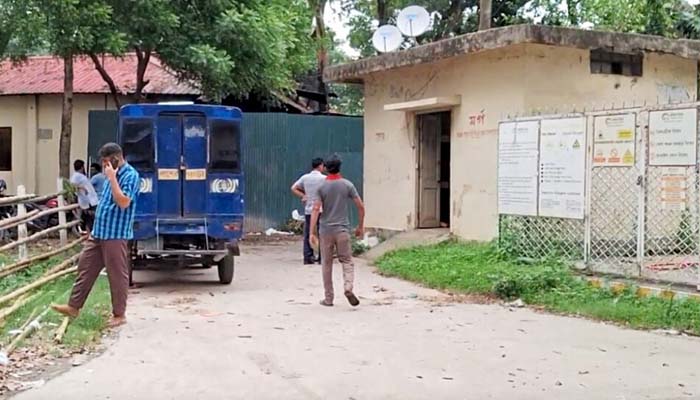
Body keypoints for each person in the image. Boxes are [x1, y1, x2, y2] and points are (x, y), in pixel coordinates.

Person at [52, 143, 140, 327]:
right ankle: (74, 306)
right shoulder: (109, 175)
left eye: (107, 161)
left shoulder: (130, 175)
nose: (104, 165)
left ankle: (119, 314)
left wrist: (113, 179)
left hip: (115, 233)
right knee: (85, 267)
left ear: (117, 158)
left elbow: (123, 202)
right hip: (99, 232)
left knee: (116, 274)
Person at [310, 154, 365, 307]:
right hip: (342, 230)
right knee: (347, 261)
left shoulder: (321, 187)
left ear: (326, 168)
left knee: (326, 264)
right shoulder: (347, 185)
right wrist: (360, 226)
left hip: (326, 231)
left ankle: (328, 299)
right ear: (340, 167)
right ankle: (348, 287)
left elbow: (315, 209)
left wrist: (311, 232)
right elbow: (360, 207)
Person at [291, 158, 326, 265]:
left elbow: (293, 188)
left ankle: (308, 257)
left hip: (309, 210)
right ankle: (321, 257)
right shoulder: (324, 178)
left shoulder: (305, 178)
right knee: (322, 233)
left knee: (308, 234)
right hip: (321, 209)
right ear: (320, 166)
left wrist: (303, 195)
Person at [69, 159, 99, 233]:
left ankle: (90, 232)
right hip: (86, 199)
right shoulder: (76, 176)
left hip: (90, 199)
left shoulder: (81, 176)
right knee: (89, 217)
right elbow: (72, 186)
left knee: (91, 217)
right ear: (82, 167)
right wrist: (81, 188)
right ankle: (89, 232)